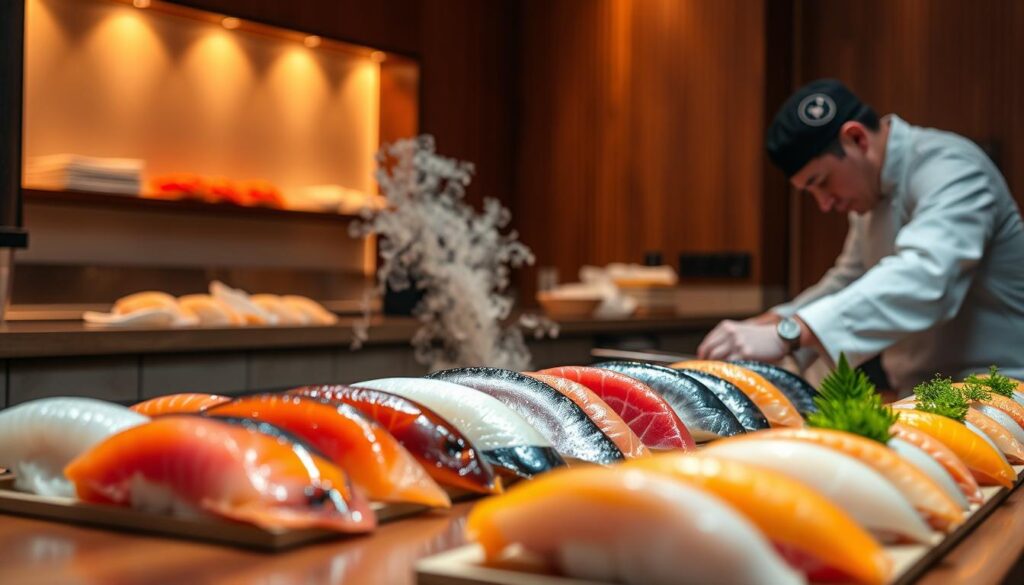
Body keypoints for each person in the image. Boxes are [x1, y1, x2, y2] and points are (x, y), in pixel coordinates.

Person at [697, 78, 1024, 390]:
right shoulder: (868, 199)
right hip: (922, 396)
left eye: (821, 182)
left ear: (856, 139)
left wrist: (789, 332)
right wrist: (767, 323)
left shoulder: (953, 167)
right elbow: (847, 282)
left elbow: (925, 276)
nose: (824, 204)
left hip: (1000, 392)